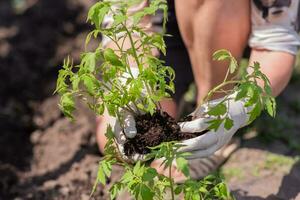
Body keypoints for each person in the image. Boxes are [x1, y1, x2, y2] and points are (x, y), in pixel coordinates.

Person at [96, 0, 300, 180]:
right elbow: (125, 16)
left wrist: (238, 107)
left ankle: (209, 110)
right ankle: (177, 112)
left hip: (230, 16)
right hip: (166, 23)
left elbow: (276, 43)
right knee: (118, 142)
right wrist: (130, 78)